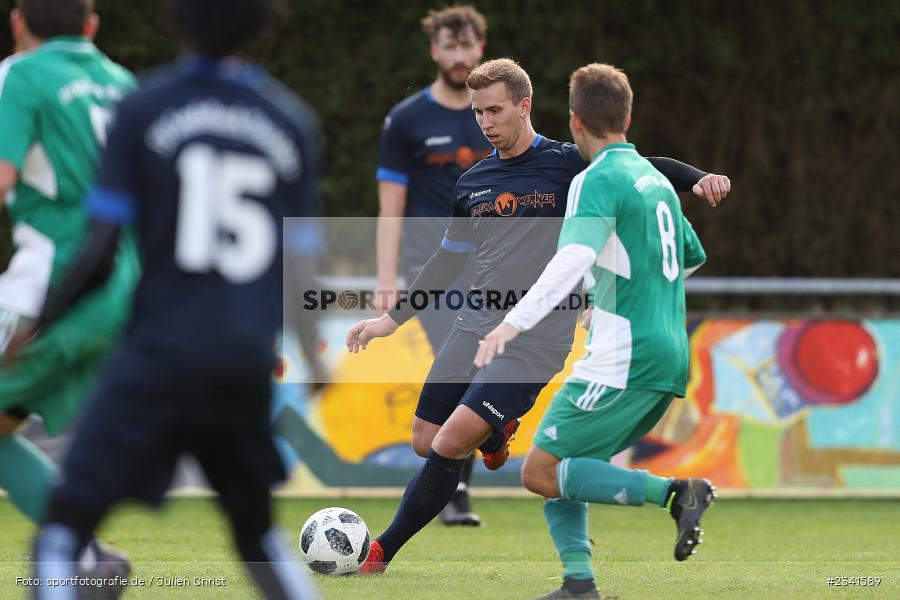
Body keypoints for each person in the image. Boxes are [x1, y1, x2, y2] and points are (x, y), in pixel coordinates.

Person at [346, 58, 730, 575]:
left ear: (525, 106)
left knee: (451, 441)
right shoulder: (473, 182)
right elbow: (445, 263)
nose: (485, 122)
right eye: (478, 112)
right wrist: (387, 323)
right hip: (473, 325)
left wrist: (699, 178)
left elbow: (643, 165)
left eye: (495, 110)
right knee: (424, 439)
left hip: (535, 337)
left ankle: (380, 552)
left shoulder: (571, 163)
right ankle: (497, 433)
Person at [22, 1, 321, 598]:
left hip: (160, 351)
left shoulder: (143, 108)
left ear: (176, 20)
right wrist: (316, 351)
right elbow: (300, 262)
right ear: (264, 28)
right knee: (256, 536)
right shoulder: (291, 122)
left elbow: (102, 250)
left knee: (62, 529)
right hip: (240, 357)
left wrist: (42, 320)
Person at [474, 63, 719, 600]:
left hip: (623, 358)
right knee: (562, 462)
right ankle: (579, 583)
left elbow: (574, 255)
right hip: (669, 353)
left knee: (539, 471)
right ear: (628, 117)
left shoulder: (595, 179)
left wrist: (513, 324)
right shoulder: (655, 180)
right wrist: (604, 293)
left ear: (575, 122)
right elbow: (691, 257)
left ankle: (678, 494)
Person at [0, 0, 138, 565]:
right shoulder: (122, 81)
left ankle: (82, 557)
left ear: (17, 22)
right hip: (124, 284)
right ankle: (86, 560)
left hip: (52, 284)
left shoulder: (20, 73)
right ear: (91, 25)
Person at [374, 4, 491, 527]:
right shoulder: (407, 120)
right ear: (434, 51)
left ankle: (453, 477)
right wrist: (384, 281)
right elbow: (390, 206)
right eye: (450, 46)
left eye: (468, 46)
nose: (459, 56)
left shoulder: (496, 112)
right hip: (433, 271)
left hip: (493, 269)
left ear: (481, 49)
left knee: (479, 370)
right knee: (457, 363)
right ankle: (454, 491)